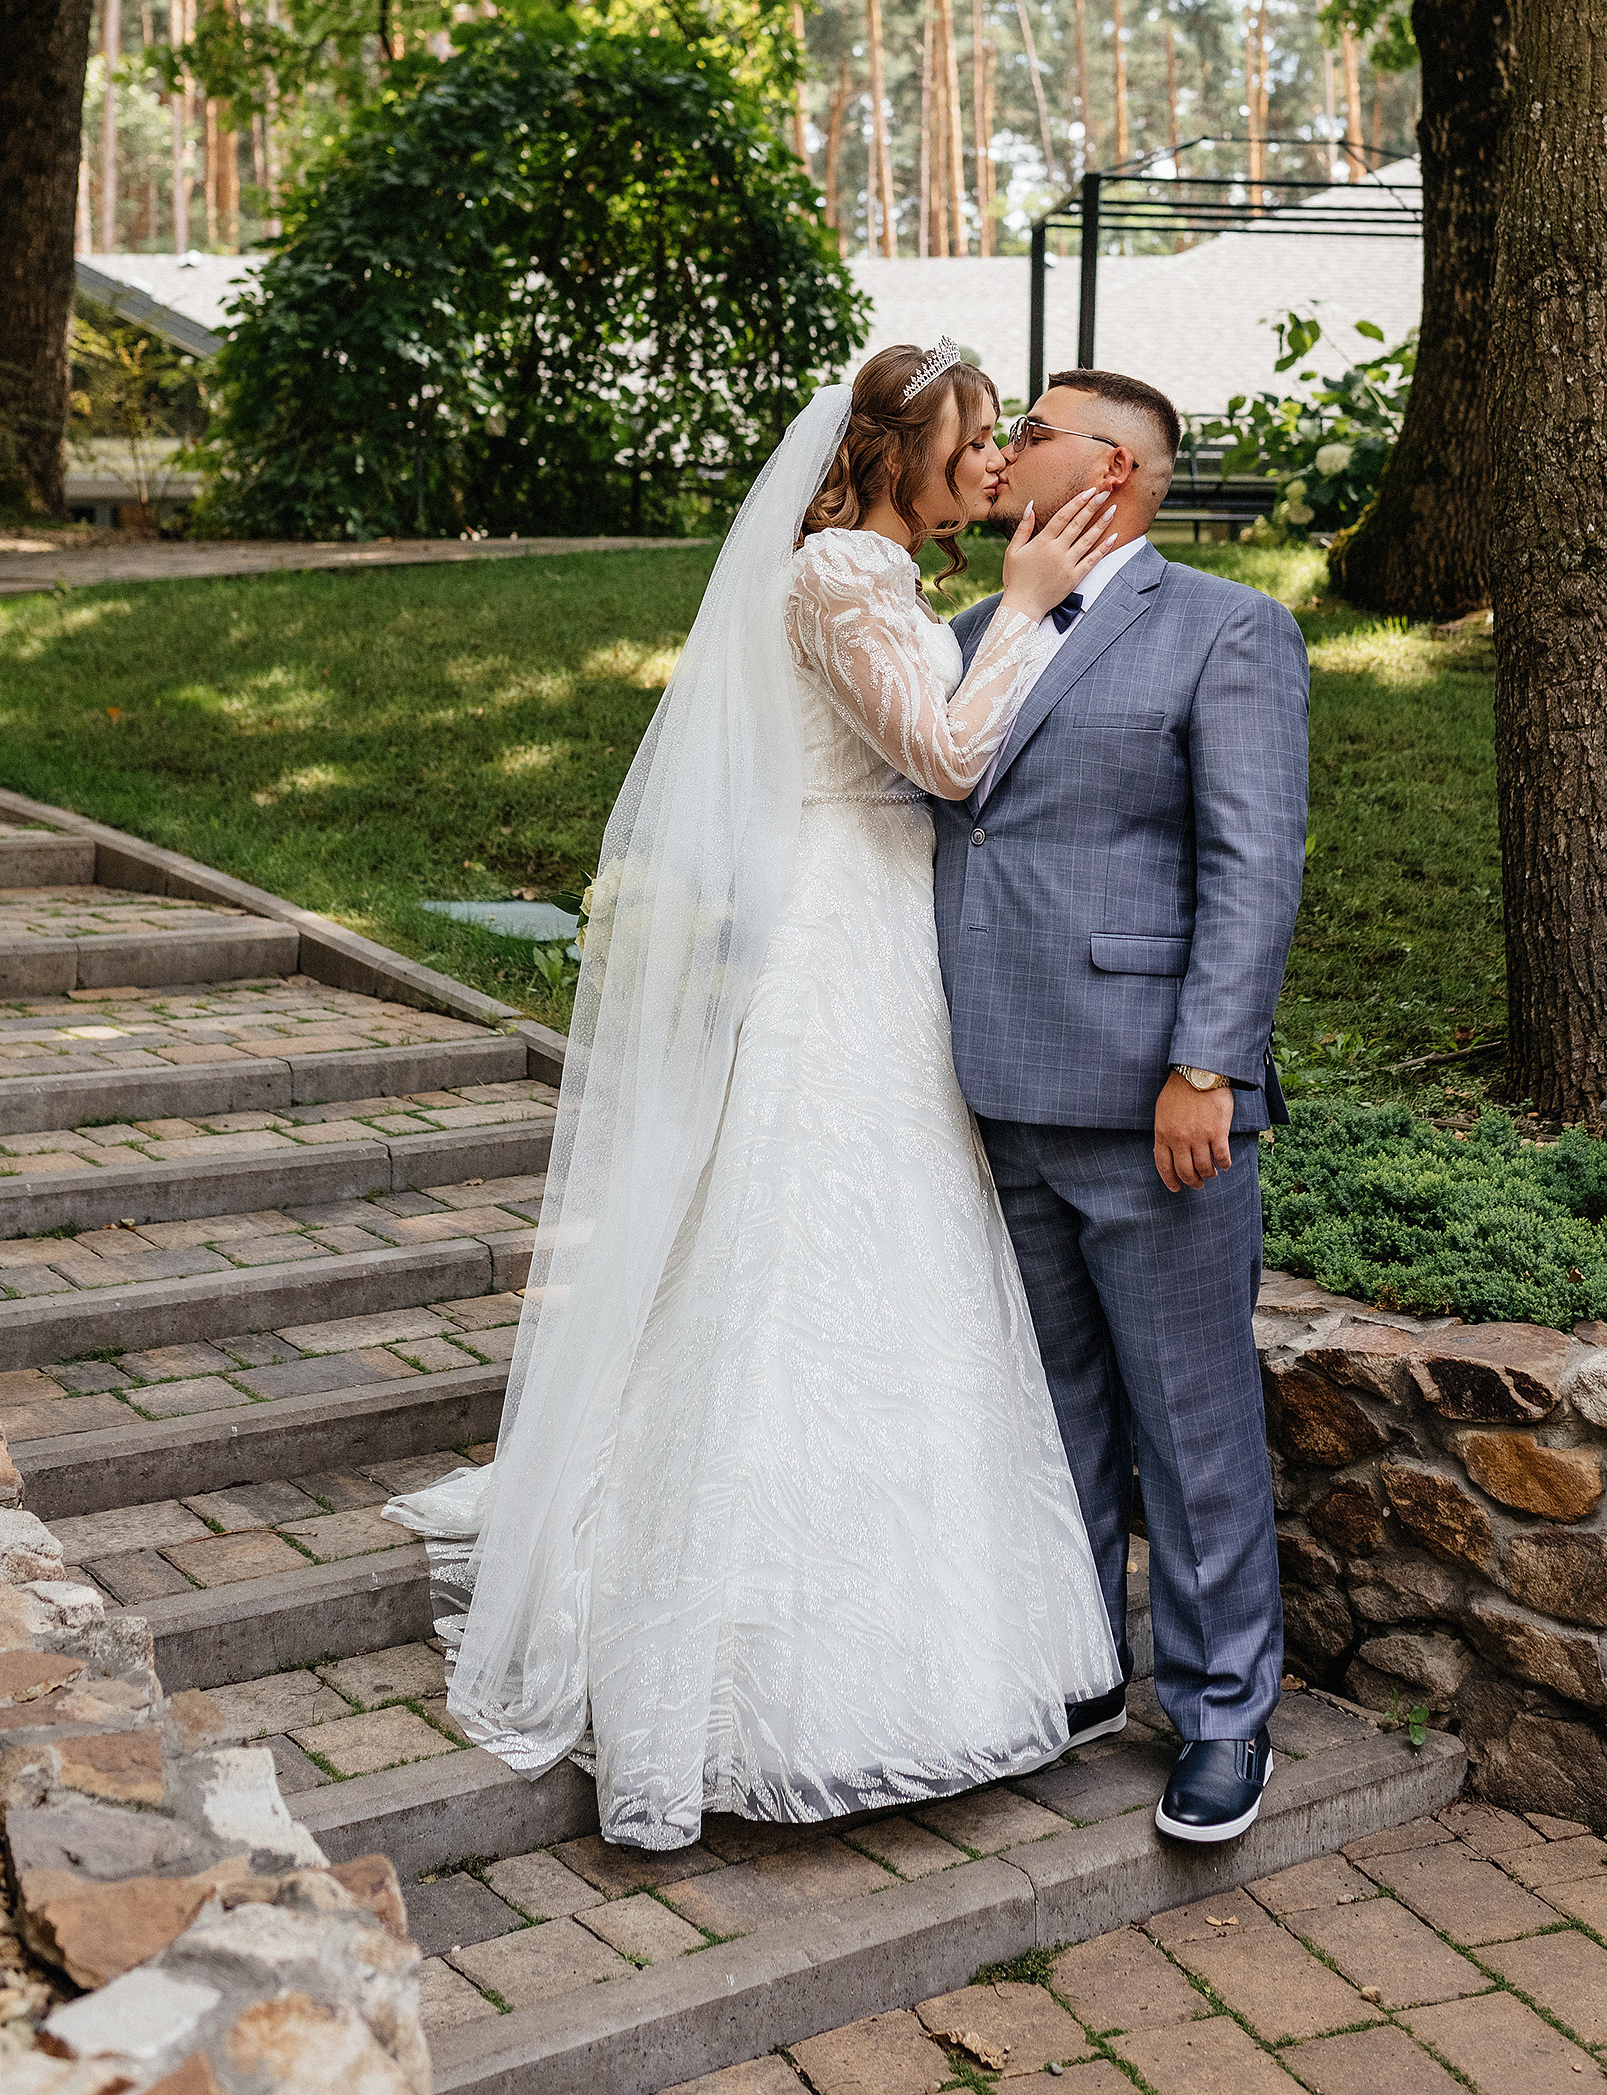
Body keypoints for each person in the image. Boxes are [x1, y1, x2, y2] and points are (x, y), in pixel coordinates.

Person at [385, 342, 1123, 1849]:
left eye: (1003, 437)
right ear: (900, 452)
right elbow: (948, 757)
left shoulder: (881, 575)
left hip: (889, 939)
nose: (996, 462)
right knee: (799, 1248)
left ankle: (941, 1657)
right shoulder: (839, 575)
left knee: (902, 1260)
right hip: (833, 949)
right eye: (979, 437)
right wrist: (1030, 608)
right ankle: (744, 1670)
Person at [933, 366, 1310, 1848]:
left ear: (1115, 471)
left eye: (1031, 430)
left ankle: (1224, 1716)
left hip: (1153, 1096)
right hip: (990, 1085)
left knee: (1192, 1423)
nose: (1005, 448)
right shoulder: (975, 632)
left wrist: (1208, 1065)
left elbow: (1251, 860)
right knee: (1055, 1413)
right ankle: (1082, 1664)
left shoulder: (1227, 628)